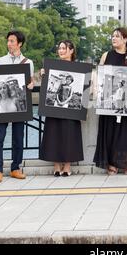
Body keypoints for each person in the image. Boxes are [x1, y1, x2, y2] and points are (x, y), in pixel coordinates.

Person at [0, 31, 34, 183]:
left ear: (20, 43)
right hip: (2, 106)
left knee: (18, 138)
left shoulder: (27, 62)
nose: (8, 43)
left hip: (18, 105)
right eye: (8, 41)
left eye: (12, 41)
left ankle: (15, 168)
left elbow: (28, 83)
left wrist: (31, 84)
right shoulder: (0, 60)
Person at [94, 27, 127, 175]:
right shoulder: (106, 55)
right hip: (109, 102)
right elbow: (99, 75)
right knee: (110, 133)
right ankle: (111, 164)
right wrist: (97, 90)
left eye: (117, 36)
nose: (113, 39)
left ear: (125, 39)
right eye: (113, 36)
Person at [39, 40, 84, 177]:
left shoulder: (79, 68)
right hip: (55, 108)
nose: (61, 51)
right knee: (54, 133)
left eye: (64, 48)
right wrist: (44, 76)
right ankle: (57, 165)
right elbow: (49, 89)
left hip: (70, 109)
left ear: (71, 51)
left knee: (70, 134)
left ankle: (68, 166)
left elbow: (83, 89)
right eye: (59, 48)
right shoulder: (52, 67)